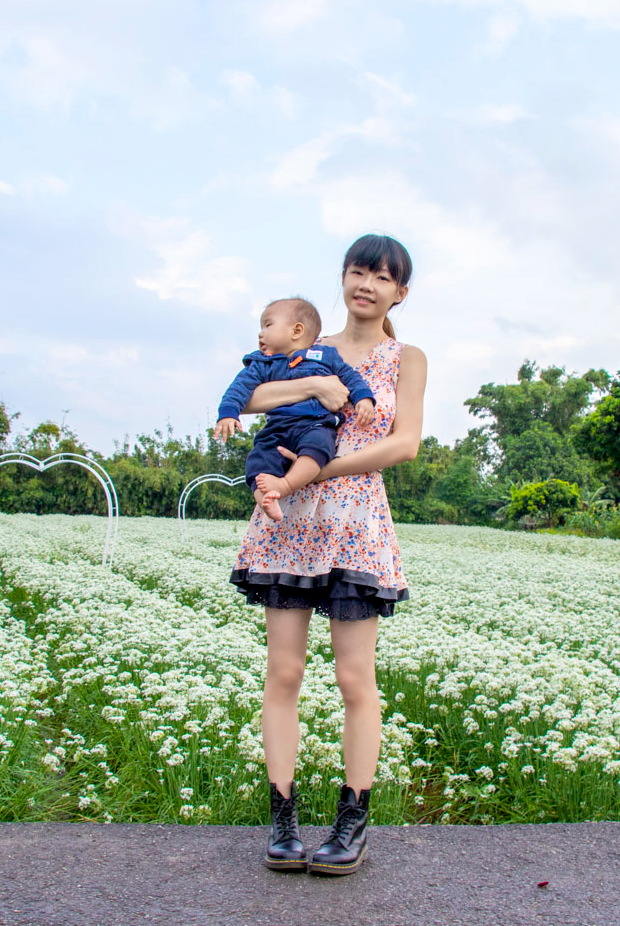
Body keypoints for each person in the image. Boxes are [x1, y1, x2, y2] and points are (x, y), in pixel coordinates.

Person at [227, 233, 426, 876]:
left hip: (355, 521)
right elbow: (248, 396)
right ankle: (283, 820)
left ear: (401, 292)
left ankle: (353, 821)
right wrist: (314, 382)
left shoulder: (408, 357)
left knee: (353, 679)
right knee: (283, 672)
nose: (366, 285)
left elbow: (405, 445)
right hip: (289, 525)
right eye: (357, 272)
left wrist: (321, 469)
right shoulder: (308, 345)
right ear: (342, 279)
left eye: (382, 277)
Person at [213, 297, 377, 522]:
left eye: (268, 325)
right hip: (278, 427)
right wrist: (228, 414)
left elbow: (350, 377)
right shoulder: (262, 363)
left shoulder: (325, 355)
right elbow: (239, 388)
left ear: (296, 330)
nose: (261, 333)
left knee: (318, 448)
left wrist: (364, 399)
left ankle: (285, 485)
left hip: (316, 423)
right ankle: (265, 500)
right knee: (258, 459)